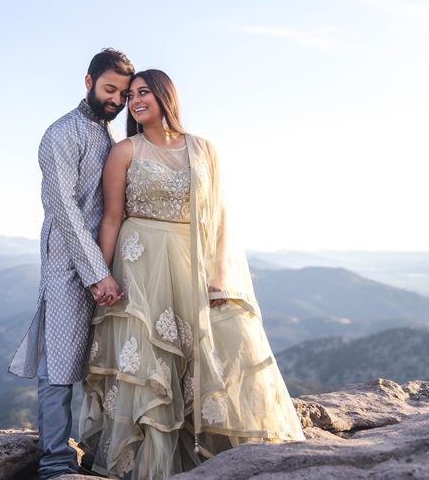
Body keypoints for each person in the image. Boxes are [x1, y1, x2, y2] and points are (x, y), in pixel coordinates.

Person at [78, 69, 305, 479]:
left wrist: (219, 276)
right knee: (149, 363)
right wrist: (100, 276)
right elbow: (111, 218)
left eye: (143, 92)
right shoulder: (125, 151)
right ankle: (145, 464)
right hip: (139, 267)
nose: (135, 101)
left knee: (205, 355)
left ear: (166, 96)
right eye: (130, 96)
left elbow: (218, 219)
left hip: (189, 263)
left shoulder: (203, 150)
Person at [8, 48, 135, 479]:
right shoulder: (61, 134)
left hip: (107, 262)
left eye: (122, 92)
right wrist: (96, 272)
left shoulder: (108, 136)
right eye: (109, 89)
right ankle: (55, 461)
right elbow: (63, 209)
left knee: (106, 359)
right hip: (67, 261)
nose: (116, 100)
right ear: (88, 82)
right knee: (58, 363)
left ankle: (100, 448)